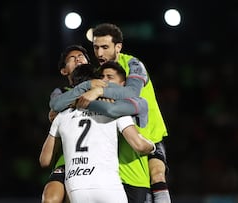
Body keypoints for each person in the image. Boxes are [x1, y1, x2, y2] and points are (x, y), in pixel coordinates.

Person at [50, 23, 171, 203]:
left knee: (157, 175)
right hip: (121, 138)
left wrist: (98, 91)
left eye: (105, 47)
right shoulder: (98, 73)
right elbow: (61, 102)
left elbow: (131, 93)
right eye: (96, 47)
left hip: (149, 135)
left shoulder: (133, 64)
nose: (99, 54)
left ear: (118, 47)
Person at [40, 64, 156, 203]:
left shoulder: (62, 115)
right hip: (108, 186)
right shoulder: (113, 107)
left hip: (77, 187)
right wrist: (153, 147)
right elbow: (139, 145)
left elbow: (45, 160)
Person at [42, 45, 91, 203]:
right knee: (50, 199)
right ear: (64, 71)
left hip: (95, 159)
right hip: (66, 159)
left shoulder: (101, 85)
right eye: (72, 58)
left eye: (81, 56)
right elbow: (56, 104)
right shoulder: (60, 92)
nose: (77, 58)